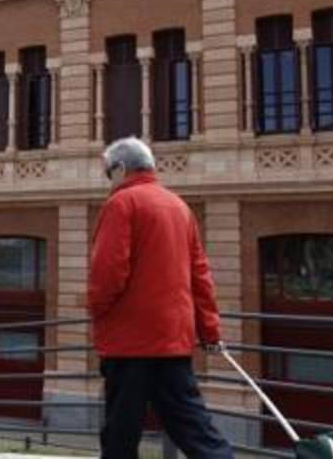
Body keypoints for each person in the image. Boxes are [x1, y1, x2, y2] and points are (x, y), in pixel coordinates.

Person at [88, 137, 233, 459]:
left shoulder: (121, 204)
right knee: (196, 429)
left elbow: (108, 272)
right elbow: (200, 276)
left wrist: (96, 309)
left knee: (120, 434)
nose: (107, 181)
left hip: (129, 343)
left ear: (121, 169)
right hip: (173, 340)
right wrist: (210, 331)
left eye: (107, 172)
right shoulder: (179, 206)